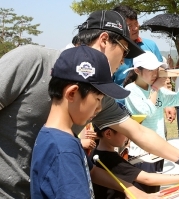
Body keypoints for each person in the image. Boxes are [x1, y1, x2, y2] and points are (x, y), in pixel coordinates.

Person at [0, 10, 179, 199]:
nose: (125, 62)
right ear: (104, 40)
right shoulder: (31, 61)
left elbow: (137, 132)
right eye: (125, 52)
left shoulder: (96, 94)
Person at [30, 45, 127, 198]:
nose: (99, 108)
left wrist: (129, 188)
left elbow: (92, 171)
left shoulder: (57, 136)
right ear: (72, 93)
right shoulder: (64, 149)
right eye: (97, 99)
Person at [123, 51, 179, 193]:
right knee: (144, 192)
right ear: (137, 71)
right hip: (141, 153)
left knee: (155, 191)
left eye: (156, 70)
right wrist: (156, 88)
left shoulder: (156, 90)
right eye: (150, 70)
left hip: (158, 149)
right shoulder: (131, 90)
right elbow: (146, 112)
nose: (155, 74)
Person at [112, 5, 177, 125]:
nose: (135, 28)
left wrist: (169, 104)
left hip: (151, 107)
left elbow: (162, 76)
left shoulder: (150, 46)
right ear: (119, 26)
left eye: (136, 23)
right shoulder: (112, 50)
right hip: (120, 110)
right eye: (130, 25)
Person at [92, 123, 179, 199]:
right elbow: (147, 179)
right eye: (125, 132)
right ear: (108, 134)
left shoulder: (94, 152)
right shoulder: (112, 160)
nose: (129, 136)